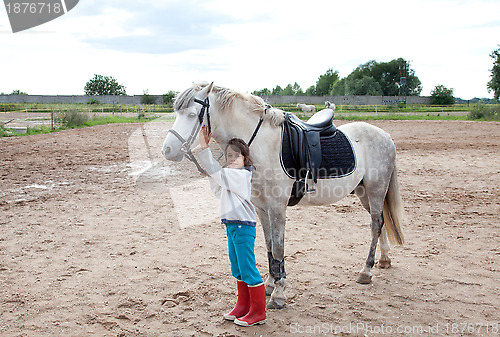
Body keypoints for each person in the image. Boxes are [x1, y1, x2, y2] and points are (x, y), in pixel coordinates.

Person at [198, 126, 266, 327]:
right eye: (229, 156)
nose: (232, 159)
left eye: (237, 156)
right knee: (237, 269)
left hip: (243, 228)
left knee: (248, 269)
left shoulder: (242, 175)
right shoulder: (230, 175)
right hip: (232, 227)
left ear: (245, 159)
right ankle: (243, 306)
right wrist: (212, 174)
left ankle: (258, 312)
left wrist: (204, 148)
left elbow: (219, 173)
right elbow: (218, 189)